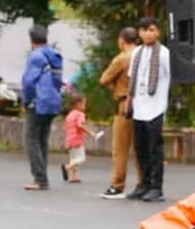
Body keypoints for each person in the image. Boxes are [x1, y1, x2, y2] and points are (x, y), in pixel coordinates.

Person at [127, 17, 171, 202]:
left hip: (156, 106)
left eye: (151, 30)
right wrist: (129, 103)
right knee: (141, 148)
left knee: (155, 149)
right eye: (144, 30)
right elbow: (132, 79)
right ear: (139, 33)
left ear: (158, 32)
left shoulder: (163, 53)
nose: (148, 33)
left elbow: (170, 76)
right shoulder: (137, 52)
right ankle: (143, 183)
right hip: (139, 107)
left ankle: (156, 187)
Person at [99, 27, 142, 199]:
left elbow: (104, 79)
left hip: (124, 104)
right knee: (141, 147)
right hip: (144, 104)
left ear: (121, 40)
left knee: (120, 148)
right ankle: (142, 182)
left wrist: (116, 88)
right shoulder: (142, 55)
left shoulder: (122, 58)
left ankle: (117, 184)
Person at [20, 25, 63, 191]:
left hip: (38, 102)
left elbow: (29, 82)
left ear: (31, 39)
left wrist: (26, 101)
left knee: (31, 139)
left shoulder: (35, 56)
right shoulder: (54, 55)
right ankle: (42, 175)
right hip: (52, 100)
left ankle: (40, 178)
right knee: (42, 139)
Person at [61, 93, 99, 184]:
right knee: (81, 158)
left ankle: (72, 177)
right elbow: (80, 125)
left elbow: (66, 126)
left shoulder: (70, 115)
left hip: (69, 139)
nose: (85, 106)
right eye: (84, 104)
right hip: (77, 140)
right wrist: (90, 132)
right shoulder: (80, 114)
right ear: (78, 104)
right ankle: (67, 167)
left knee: (73, 158)